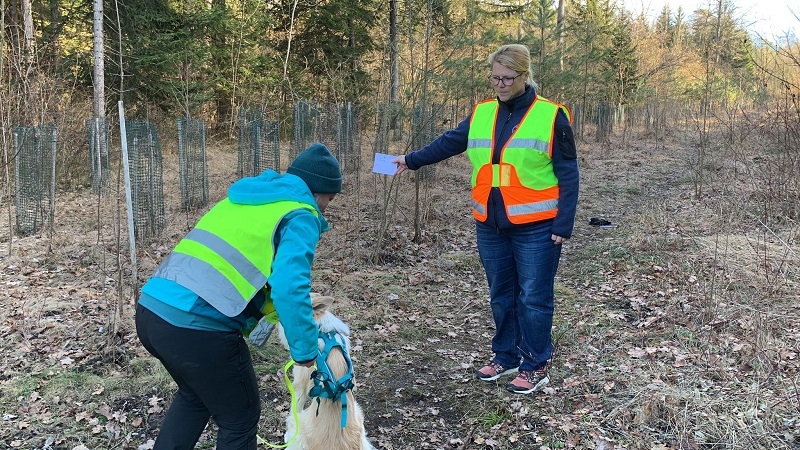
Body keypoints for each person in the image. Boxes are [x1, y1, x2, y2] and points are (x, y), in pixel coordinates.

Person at [392, 44, 579, 395]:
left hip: (538, 226)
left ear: (524, 76)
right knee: (500, 294)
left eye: (508, 78)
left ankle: (536, 363)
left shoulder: (552, 116)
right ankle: (505, 355)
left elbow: (569, 172)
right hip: (491, 225)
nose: (500, 84)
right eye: (495, 77)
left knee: (534, 297)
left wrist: (563, 224)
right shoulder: (482, 112)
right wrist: (410, 160)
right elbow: (450, 142)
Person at [135, 142, 342, 449]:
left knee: (196, 398)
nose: (327, 205)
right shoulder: (301, 214)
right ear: (318, 192)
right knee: (239, 419)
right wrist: (306, 353)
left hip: (151, 312)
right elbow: (289, 287)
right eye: (330, 197)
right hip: (197, 328)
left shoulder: (246, 199)